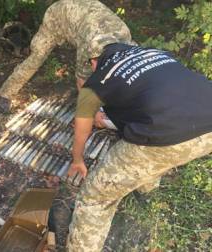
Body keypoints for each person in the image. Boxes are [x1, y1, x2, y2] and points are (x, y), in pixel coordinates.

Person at [66, 42, 212, 251]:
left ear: (94, 61)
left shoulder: (97, 81)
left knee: (94, 199)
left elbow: (82, 127)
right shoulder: (155, 52)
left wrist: (78, 160)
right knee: (162, 152)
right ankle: (147, 189)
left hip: (165, 134)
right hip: (208, 125)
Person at [0, 0, 135, 112]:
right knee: (37, 56)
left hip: (82, 18)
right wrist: (92, 112)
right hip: (57, 16)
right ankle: (5, 93)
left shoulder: (126, 38)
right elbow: (82, 82)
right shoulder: (91, 48)